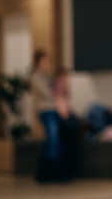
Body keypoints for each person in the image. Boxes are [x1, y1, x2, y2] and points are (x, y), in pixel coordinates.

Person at [30, 50, 67, 182]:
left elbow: (58, 91)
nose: (47, 63)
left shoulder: (48, 76)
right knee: (52, 139)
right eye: (45, 60)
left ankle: (48, 173)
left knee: (52, 140)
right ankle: (48, 172)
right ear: (39, 61)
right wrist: (57, 94)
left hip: (54, 110)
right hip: (45, 111)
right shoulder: (35, 77)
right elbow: (48, 93)